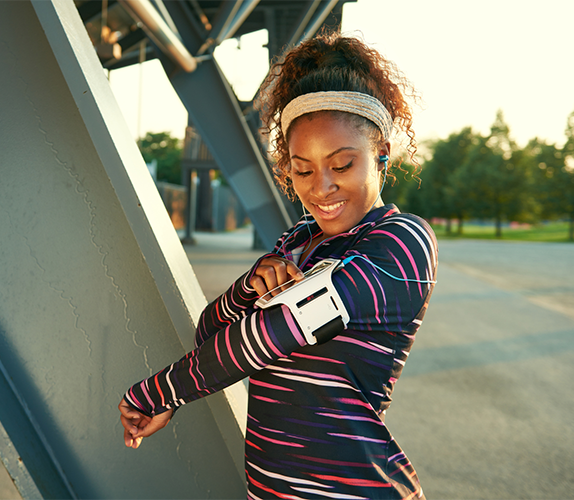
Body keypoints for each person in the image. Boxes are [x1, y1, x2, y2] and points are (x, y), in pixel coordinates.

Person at [118, 31, 438, 499]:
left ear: (382, 152)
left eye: (342, 164)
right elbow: (210, 330)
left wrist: (161, 391)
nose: (321, 187)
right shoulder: (298, 241)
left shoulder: (402, 242)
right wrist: (249, 287)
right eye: (302, 169)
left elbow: (277, 332)